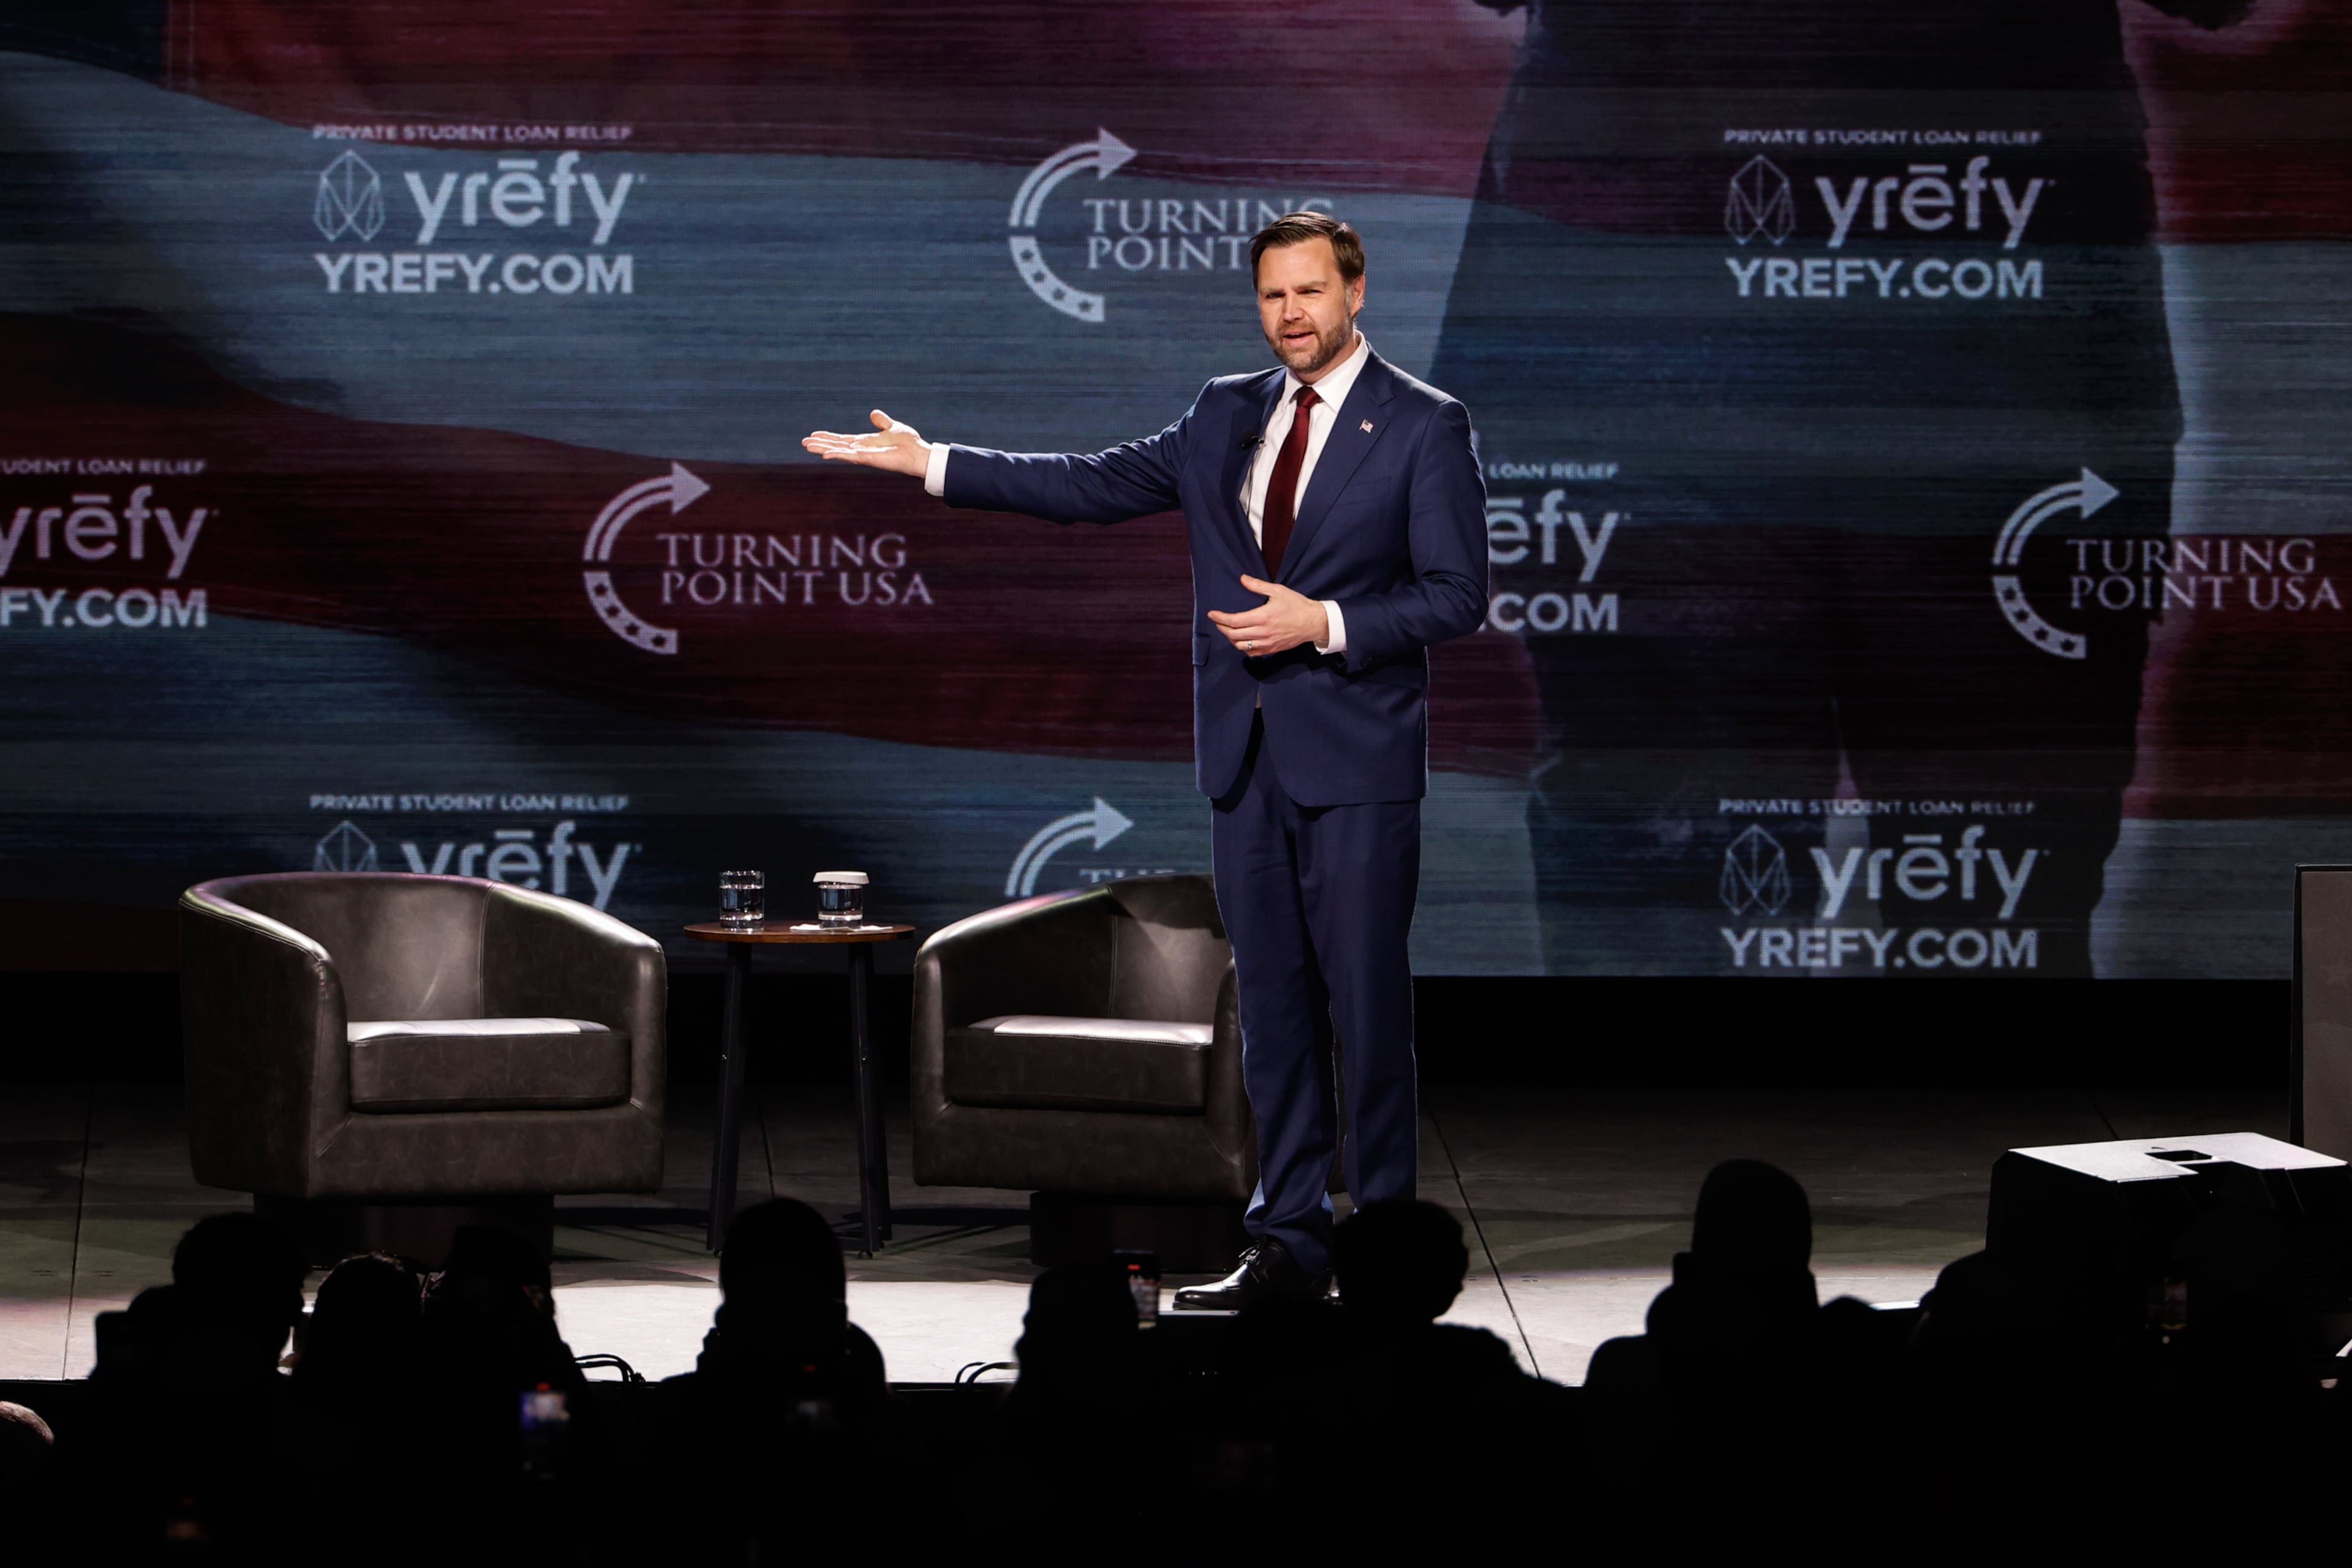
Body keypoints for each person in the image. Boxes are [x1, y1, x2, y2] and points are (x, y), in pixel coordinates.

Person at [806, 213, 1490, 1306]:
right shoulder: (1223, 414)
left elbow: (1458, 596)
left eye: (1311, 293)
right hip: (1245, 761)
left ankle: (1387, 1259)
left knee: (1364, 1012)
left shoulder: (1423, 425)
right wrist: (930, 462)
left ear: (1355, 292)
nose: (1292, 316)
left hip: (1357, 763)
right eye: (1273, 297)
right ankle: (1290, 1244)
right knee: (1271, 1013)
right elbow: (1087, 485)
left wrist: (1325, 623)